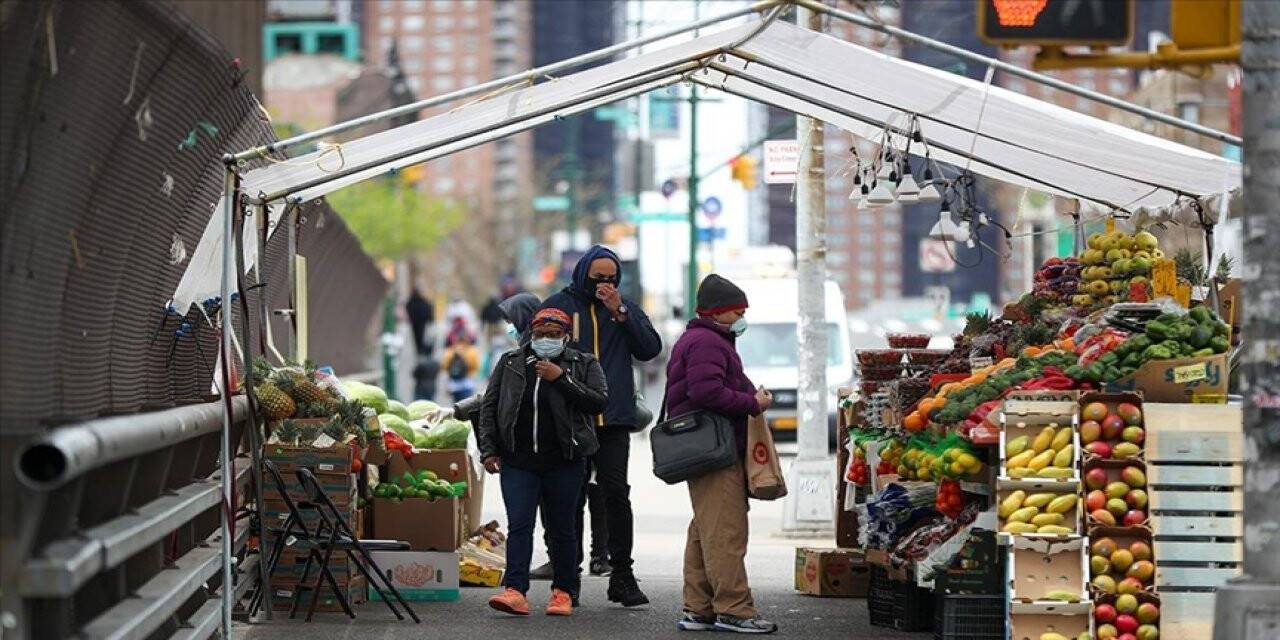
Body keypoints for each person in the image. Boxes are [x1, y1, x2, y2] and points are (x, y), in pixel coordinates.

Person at [542, 245, 662, 607]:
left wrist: (621, 312)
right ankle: (567, 578)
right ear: (583, 275)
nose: (605, 285)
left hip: (612, 418)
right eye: (598, 279)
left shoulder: (624, 309)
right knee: (568, 496)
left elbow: (649, 349)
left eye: (612, 279)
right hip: (569, 418)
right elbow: (534, 346)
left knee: (615, 494)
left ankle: (621, 574)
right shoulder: (560, 305)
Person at [477, 308, 609, 617]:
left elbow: (598, 401)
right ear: (530, 335)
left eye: (553, 335)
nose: (545, 340)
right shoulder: (511, 363)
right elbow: (490, 407)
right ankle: (515, 590)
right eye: (539, 335)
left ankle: (563, 591)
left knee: (562, 527)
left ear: (566, 336)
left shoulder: (583, 363)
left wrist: (560, 377)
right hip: (518, 461)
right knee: (520, 525)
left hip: (565, 461)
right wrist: (488, 449)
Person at [664, 274, 777, 634]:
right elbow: (705, 391)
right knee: (726, 533)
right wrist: (752, 402)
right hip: (715, 449)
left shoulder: (702, 339)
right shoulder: (709, 343)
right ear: (718, 313)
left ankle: (699, 608)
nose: (743, 316)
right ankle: (735, 610)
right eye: (737, 311)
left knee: (705, 531)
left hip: (706, 450)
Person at [442, 322, 480, 404]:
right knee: (466, 407)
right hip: (467, 382)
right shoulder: (472, 351)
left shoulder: (451, 350)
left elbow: (445, 366)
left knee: (456, 406)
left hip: (454, 384)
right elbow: (476, 366)